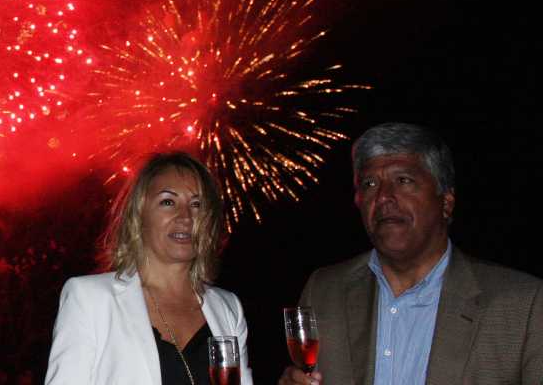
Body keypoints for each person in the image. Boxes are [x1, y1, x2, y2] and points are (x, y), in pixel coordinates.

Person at [279, 122, 543, 385]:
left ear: (446, 203)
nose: (383, 197)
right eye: (370, 184)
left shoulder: (523, 306)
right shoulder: (325, 291)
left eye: (403, 181)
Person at [46, 152, 253, 385]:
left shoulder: (228, 308)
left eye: (196, 204)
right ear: (139, 214)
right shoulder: (90, 299)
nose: (185, 217)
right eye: (167, 202)